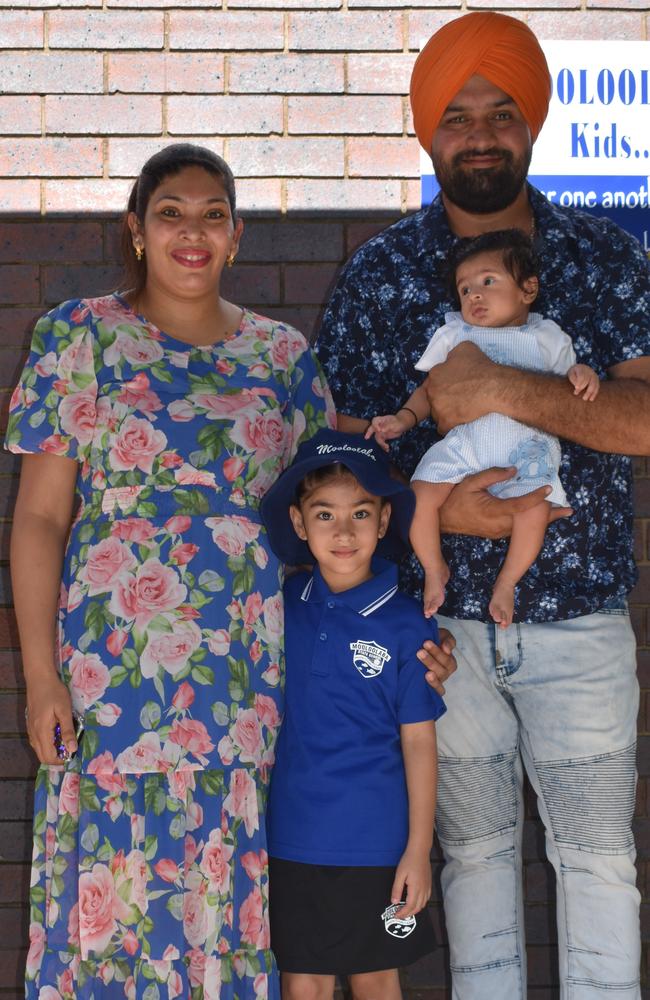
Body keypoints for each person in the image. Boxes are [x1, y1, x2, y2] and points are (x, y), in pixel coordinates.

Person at [316, 11, 650, 999]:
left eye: (500, 111)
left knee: (597, 863)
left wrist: (502, 388)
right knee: (473, 862)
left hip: (581, 623)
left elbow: (640, 419)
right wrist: (441, 513)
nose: (478, 132)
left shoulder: (601, 260)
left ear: (530, 124)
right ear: (426, 131)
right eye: (456, 114)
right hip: (440, 633)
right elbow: (335, 456)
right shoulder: (376, 276)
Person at [7, 143, 339, 999]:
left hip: (247, 672)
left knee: (238, 882)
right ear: (137, 231)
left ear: (235, 237)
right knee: (114, 885)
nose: (192, 231)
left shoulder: (283, 357)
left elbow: (332, 528)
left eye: (212, 214)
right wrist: (41, 677)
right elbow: (42, 517)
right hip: (112, 672)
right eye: (171, 213)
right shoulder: (78, 336)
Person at [259, 429, 445, 1000]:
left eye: (361, 513)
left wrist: (418, 847)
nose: (343, 531)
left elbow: (419, 744)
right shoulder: (278, 607)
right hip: (291, 837)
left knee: (375, 979)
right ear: (298, 523)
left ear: (385, 520)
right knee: (303, 980)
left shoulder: (410, 625)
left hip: (378, 844)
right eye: (324, 514)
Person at [366, 229, 599, 627]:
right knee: (421, 494)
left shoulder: (546, 336)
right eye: (465, 288)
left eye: (488, 281)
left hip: (524, 447)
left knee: (533, 508)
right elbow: (430, 390)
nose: (474, 294)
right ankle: (434, 566)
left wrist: (583, 373)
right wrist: (403, 419)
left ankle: (507, 582)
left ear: (528, 289)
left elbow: (568, 380)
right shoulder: (455, 334)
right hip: (467, 445)